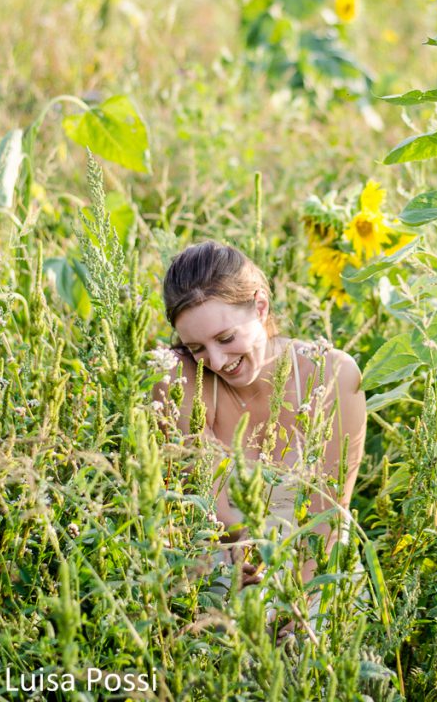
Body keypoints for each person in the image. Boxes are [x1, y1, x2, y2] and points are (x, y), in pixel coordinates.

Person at [152, 239, 368, 635]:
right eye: (196, 347)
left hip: (317, 567)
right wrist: (245, 550)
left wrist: (298, 608)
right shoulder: (180, 379)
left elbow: (330, 513)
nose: (216, 362)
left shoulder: (331, 375)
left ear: (260, 307)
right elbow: (210, 506)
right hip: (222, 574)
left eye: (225, 338)